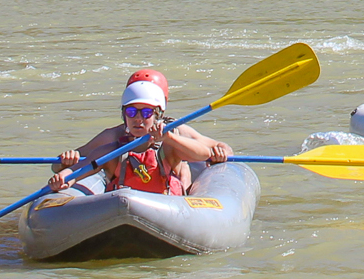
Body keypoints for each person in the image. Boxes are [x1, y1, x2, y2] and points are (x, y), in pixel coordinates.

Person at [47, 69, 233, 195]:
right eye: (131, 112)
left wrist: (220, 152)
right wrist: (63, 176)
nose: (138, 118)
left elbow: (204, 153)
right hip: (122, 205)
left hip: (167, 206)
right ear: (124, 114)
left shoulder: (172, 138)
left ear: (158, 113)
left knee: (183, 169)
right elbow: (80, 166)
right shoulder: (112, 145)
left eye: (146, 112)